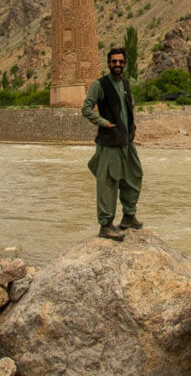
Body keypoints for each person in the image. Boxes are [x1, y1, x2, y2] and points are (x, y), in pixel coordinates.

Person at [81, 47, 143, 241]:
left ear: (124, 63)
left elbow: (128, 107)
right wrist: (103, 123)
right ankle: (106, 225)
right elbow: (86, 108)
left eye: (120, 62)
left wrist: (132, 127)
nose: (117, 65)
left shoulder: (125, 83)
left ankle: (128, 216)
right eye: (114, 61)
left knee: (134, 176)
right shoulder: (100, 85)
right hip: (109, 143)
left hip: (126, 142)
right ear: (108, 63)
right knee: (108, 182)